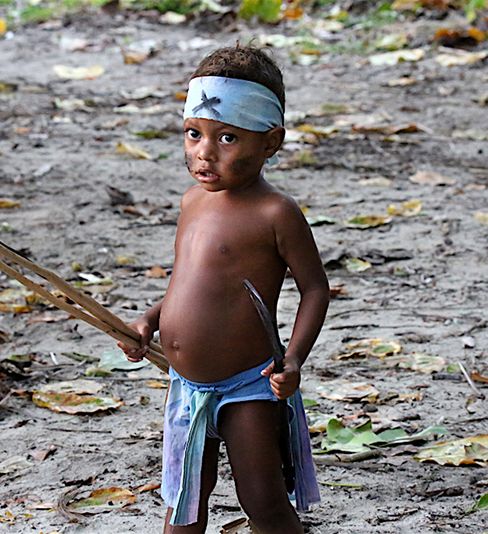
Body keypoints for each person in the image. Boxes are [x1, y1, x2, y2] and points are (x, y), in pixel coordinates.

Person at [118, 45, 329, 534]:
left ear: (271, 142)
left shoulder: (275, 214)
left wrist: (293, 359)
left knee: (263, 500)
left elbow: (315, 290)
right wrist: (151, 321)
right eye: (194, 133)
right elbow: (187, 283)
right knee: (184, 501)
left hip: (250, 383)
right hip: (186, 385)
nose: (204, 152)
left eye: (228, 137)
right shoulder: (193, 201)